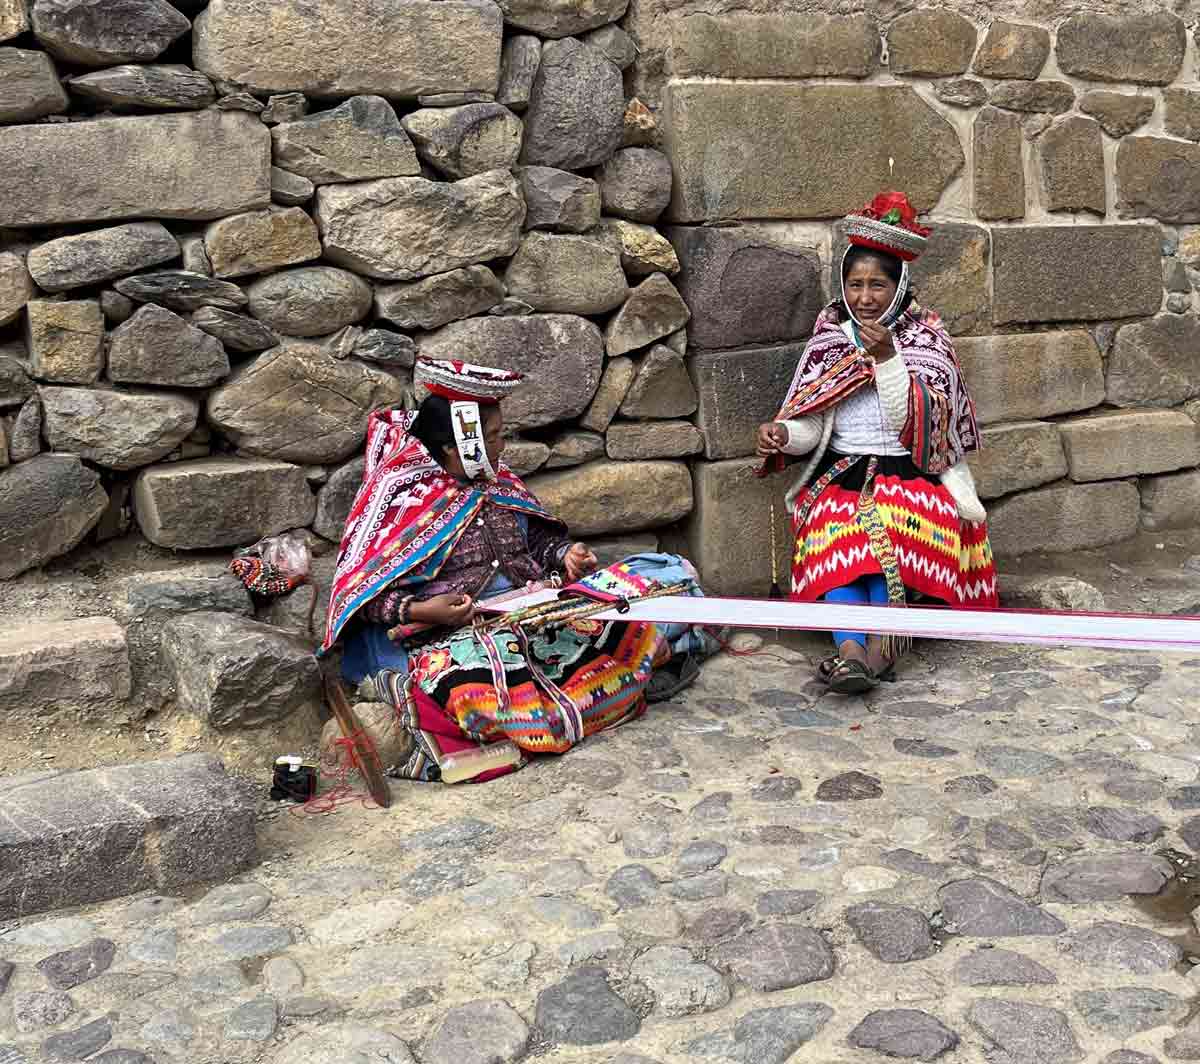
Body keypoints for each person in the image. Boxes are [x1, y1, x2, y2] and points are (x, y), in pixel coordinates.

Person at [321, 358, 710, 781]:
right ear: (458, 447)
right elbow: (360, 595)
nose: (502, 445)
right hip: (459, 635)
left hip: (538, 611)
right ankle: (604, 679)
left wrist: (565, 556)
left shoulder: (497, 480)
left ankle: (606, 668)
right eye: (493, 436)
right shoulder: (399, 497)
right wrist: (423, 611)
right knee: (471, 686)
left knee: (668, 578)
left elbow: (538, 543)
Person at [757, 191, 998, 695]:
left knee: (888, 530)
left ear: (900, 286)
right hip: (841, 474)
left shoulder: (926, 340)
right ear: (843, 288)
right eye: (856, 284)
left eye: (878, 285)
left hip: (915, 473)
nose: (866, 297)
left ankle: (876, 652)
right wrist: (784, 434)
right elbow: (812, 427)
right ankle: (853, 654)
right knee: (840, 533)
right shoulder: (828, 341)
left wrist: (888, 359)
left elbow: (922, 428)